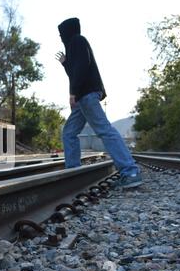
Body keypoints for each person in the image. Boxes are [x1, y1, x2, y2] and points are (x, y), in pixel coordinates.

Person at [55, 17, 142, 188]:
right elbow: (75, 71)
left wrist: (73, 92)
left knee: (104, 130)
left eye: (61, 34)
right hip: (83, 96)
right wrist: (66, 64)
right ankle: (73, 172)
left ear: (68, 31)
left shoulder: (78, 41)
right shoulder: (74, 46)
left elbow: (81, 68)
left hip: (86, 94)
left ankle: (130, 171)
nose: (60, 37)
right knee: (69, 133)